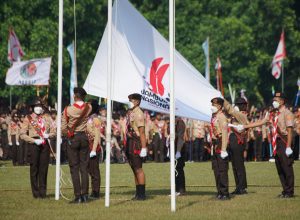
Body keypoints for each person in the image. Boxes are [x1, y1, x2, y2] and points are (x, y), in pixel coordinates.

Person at [238, 92, 295, 198]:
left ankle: (290, 191)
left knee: (286, 167)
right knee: (279, 167)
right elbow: (261, 122)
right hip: (276, 143)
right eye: (274, 100)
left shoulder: (287, 113)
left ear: (282, 101)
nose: (274, 102)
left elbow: (290, 131)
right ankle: (285, 190)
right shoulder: (273, 113)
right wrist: (246, 126)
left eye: (276, 100)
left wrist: (288, 146)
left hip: (284, 141)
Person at [20, 98, 55, 198]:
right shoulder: (28, 118)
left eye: (40, 106)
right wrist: (33, 140)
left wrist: (49, 135)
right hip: (34, 144)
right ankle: (36, 193)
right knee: (34, 168)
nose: (38, 108)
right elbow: (22, 134)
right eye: (36, 106)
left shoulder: (47, 118)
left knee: (44, 168)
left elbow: (54, 131)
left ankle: (43, 192)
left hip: (45, 144)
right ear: (32, 108)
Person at [61, 87, 92, 203]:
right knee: (84, 167)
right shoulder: (89, 107)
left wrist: (66, 134)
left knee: (74, 168)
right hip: (84, 137)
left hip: (73, 138)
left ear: (74, 96)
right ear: (83, 96)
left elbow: (64, 127)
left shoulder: (68, 110)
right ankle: (85, 195)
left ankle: (78, 195)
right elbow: (90, 105)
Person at [224, 97, 249, 195]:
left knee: (239, 165)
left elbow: (230, 109)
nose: (241, 106)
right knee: (234, 165)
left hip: (238, 140)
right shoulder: (236, 115)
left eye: (242, 104)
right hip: (233, 139)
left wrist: (224, 100)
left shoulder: (241, 114)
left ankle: (242, 187)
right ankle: (238, 186)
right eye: (240, 104)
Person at [125, 93, 147, 200]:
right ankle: (138, 193)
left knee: (138, 169)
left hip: (136, 143)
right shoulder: (131, 112)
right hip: (130, 141)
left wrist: (143, 148)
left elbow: (142, 132)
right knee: (134, 168)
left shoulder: (138, 113)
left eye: (131, 100)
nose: (129, 102)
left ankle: (142, 194)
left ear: (137, 102)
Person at [209, 97, 230, 200]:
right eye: (212, 104)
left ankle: (225, 192)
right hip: (215, 144)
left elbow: (225, 133)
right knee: (216, 170)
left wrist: (224, 149)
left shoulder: (221, 117)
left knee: (222, 170)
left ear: (220, 106)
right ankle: (219, 191)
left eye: (214, 105)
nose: (212, 107)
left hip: (221, 142)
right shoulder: (214, 116)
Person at [86, 100, 101, 199]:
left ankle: (95, 192)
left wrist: (94, 149)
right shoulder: (86, 118)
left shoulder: (95, 119)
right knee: (87, 169)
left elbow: (97, 136)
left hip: (93, 146)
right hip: (85, 145)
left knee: (94, 170)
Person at [174, 117, 186, 195]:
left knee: (179, 169)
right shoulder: (174, 122)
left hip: (179, 148)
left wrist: (178, 151)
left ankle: (181, 189)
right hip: (174, 148)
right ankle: (177, 189)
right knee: (175, 169)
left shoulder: (180, 123)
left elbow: (180, 137)